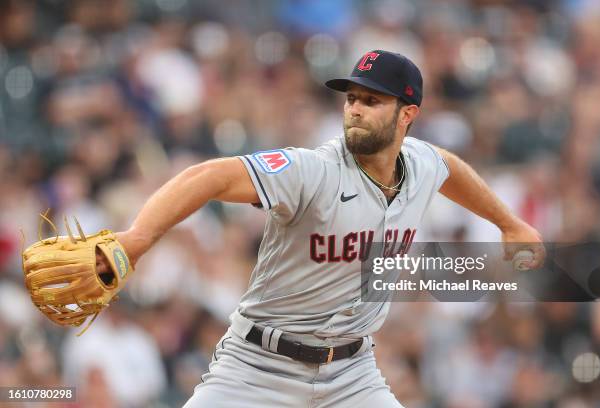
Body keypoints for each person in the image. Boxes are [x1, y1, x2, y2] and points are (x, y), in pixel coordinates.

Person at [100, 50, 543, 407]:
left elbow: (448, 167)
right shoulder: (313, 171)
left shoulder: (420, 164)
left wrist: (507, 222)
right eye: (351, 98)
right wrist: (138, 238)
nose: (355, 109)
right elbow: (210, 176)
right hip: (257, 367)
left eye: (372, 101)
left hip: (352, 374)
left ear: (407, 114)